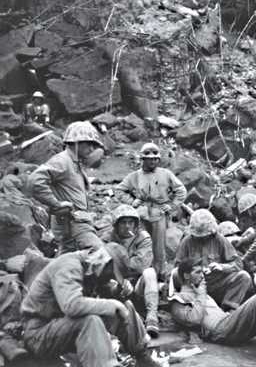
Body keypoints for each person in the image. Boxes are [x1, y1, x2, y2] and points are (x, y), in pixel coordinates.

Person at [21, 243, 161, 367]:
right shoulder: (69, 265)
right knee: (90, 321)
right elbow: (72, 305)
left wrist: (116, 295)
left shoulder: (91, 268)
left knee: (124, 307)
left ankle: (142, 357)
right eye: (110, 274)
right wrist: (111, 304)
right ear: (103, 263)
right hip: (38, 334)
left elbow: (99, 300)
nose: (110, 279)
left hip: (61, 328)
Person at [169, 257, 256, 361]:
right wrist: (200, 293)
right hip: (220, 332)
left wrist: (202, 292)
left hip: (228, 323)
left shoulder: (201, 292)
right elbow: (193, 319)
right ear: (186, 276)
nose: (202, 275)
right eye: (197, 272)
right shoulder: (178, 300)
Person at [28, 121, 105, 253]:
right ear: (76, 142)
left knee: (69, 260)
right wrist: (56, 204)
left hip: (75, 223)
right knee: (100, 255)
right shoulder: (62, 161)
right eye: (88, 144)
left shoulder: (74, 163)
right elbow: (34, 181)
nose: (92, 149)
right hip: (73, 223)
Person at [116, 142, 187, 276]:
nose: (153, 161)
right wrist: (132, 201)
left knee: (159, 248)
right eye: (149, 159)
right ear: (143, 159)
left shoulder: (166, 174)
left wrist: (171, 206)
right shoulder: (134, 176)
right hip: (141, 215)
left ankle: (159, 274)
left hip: (159, 215)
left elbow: (181, 190)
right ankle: (141, 273)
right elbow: (119, 190)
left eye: (155, 159)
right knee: (140, 243)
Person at [175, 209, 253, 311]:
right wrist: (193, 271)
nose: (202, 238)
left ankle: (228, 309)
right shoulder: (187, 242)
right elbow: (177, 266)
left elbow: (238, 263)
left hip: (217, 284)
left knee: (243, 276)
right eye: (199, 236)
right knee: (176, 275)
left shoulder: (219, 239)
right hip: (194, 286)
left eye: (205, 235)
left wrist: (222, 267)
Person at [102, 204, 160, 338]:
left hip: (137, 285)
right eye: (123, 223)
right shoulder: (107, 238)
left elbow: (141, 264)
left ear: (135, 224)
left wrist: (118, 259)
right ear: (116, 225)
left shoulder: (143, 237)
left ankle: (152, 318)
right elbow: (102, 263)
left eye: (130, 222)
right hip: (116, 283)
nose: (127, 226)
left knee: (150, 272)